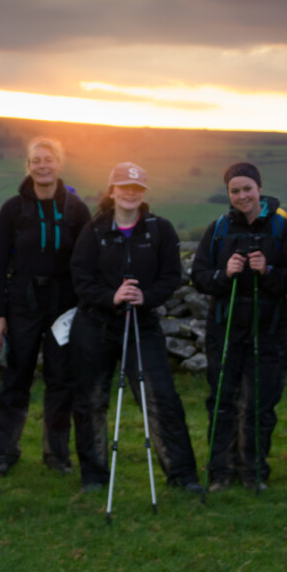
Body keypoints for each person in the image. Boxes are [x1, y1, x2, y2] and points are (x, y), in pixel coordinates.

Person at [69, 162, 203, 494]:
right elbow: (80, 279)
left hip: (142, 324)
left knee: (162, 399)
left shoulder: (160, 229)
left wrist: (147, 297)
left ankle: (182, 476)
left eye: (137, 188)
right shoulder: (94, 229)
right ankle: (94, 476)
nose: (130, 193)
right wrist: (111, 296)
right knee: (90, 400)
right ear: (111, 191)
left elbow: (172, 277)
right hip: (95, 324)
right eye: (123, 187)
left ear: (143, 193)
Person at [190, 162, 287, 492]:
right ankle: (220, 470)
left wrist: (268, 271)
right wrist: (224, 274)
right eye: (234, 191)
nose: (242, 196)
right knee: (222, 400)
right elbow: (200, 277)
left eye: (247, 189)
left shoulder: (282, 228)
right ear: (229, 194)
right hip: (224, 329)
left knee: (259, 402)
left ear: (259, 189)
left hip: (269, 330)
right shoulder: (219, 228)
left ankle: (253, 470)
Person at [0, 137, 91, 477]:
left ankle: (57, 454)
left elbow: (87, 261)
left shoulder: (76, 209)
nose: (43, 165)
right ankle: (3, 452)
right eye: (36, 160)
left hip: (64, 305)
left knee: (61, 380)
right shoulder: (13, 209)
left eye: (49, 159)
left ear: (59, 165)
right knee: (16, 376)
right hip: (22, 302)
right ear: (28, 166)